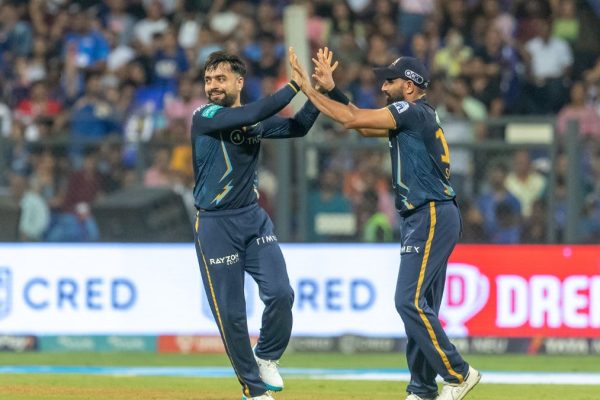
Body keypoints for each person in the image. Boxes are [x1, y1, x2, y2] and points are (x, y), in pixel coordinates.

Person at [292, 47, 481, 400]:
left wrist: (308, 90)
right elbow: (363, 126)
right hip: (428, 214)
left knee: (409, 301)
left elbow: (351, 120)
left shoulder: (410, 111)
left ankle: (458, 373)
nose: (383, 87)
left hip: (430, 213)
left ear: (409, 86)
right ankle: (422, 389)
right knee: (421, 307)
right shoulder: (416, 116)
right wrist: (332, 90)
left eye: (390, 81)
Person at [191, 50, 323, 400]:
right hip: (215, 226)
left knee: (281, 293)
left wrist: (322, 92)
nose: (212, 86)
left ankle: (265, 355)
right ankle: (254, 390)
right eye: (208, 79)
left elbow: (298, 126)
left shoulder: (250, 120)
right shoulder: (204, 116)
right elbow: (252, 113)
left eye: (220, 79)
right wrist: (294, 86)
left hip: (253, 220)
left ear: (239, 82)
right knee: (232, 316)